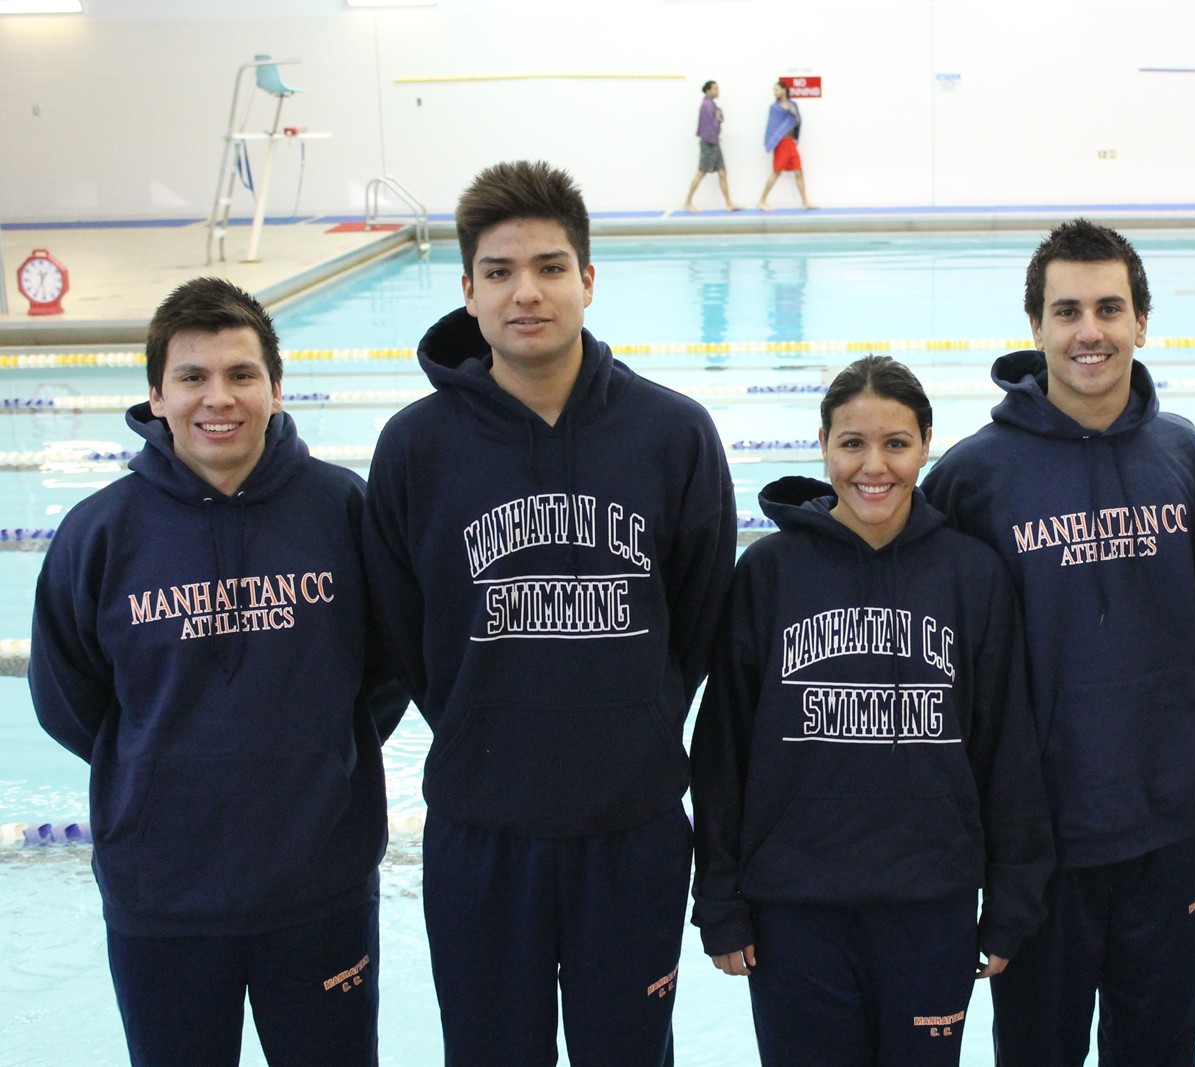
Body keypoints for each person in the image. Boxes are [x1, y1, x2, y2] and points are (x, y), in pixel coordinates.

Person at [363, 159, 736, 1065]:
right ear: (468, 290)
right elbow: (402, 630)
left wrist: (639, 715)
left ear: (588, 280)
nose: (525, 292)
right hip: (482, 830)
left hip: (634, 827)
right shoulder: (415, 447)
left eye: (550, 267)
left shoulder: (673, 434)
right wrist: (478, 721)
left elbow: (698, 617)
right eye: (499, 271)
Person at [29, 276, 405, 1067]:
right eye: (192, 376)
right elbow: (68, 699)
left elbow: (387, 670)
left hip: (321, 889)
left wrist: (317, 757)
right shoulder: (99, 534)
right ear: (156, 396)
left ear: (276, 385)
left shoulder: (343, 510)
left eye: (241, 374)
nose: (218, 398)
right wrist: (157, 767)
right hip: (161, 897)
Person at [921, 220, 1195, 1065]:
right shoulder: (974, 476)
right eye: (1067, 311)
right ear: (1037, 327)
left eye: (1109, 308)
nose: (1089, 331)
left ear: (1141, 321)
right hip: (1039, 842)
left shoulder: (1185, 454)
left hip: (1173, 828)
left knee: (1164, 1052)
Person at [691, 355, 1054, 1067]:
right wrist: (720, 901)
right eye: (852, 443)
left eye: (896, 443)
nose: (874, 466)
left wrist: (1012, 901)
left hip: (932, 908)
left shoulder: (971, 575)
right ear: (823, 445)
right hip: (794, 913)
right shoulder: (767, 574)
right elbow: (722, 750)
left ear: (926, 446)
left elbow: (1006, 747)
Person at [682, 79, 742, 212]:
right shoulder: (707, 106)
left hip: (714, 142)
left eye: (717, 88)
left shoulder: (711, 104)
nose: (717, 91)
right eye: (715, 89)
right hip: (709, 143)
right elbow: (710, 126)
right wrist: (718, 118)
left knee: (722, 172)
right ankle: (687, 202)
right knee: (701, 172)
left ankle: (729, 203)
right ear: (708, 90)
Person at [757, 80, 815, 211]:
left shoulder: (793, 105)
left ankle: (805, 202)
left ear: (784, 90)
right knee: (776, 172)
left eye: (777, 89)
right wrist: (772, 143)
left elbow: (798, 122)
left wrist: (793, 112)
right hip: (782, 143)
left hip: (791, 142)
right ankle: (762, 200)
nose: (775, 92)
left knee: (799, 171)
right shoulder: (774, 108)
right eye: (774, 90)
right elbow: (772, 128)